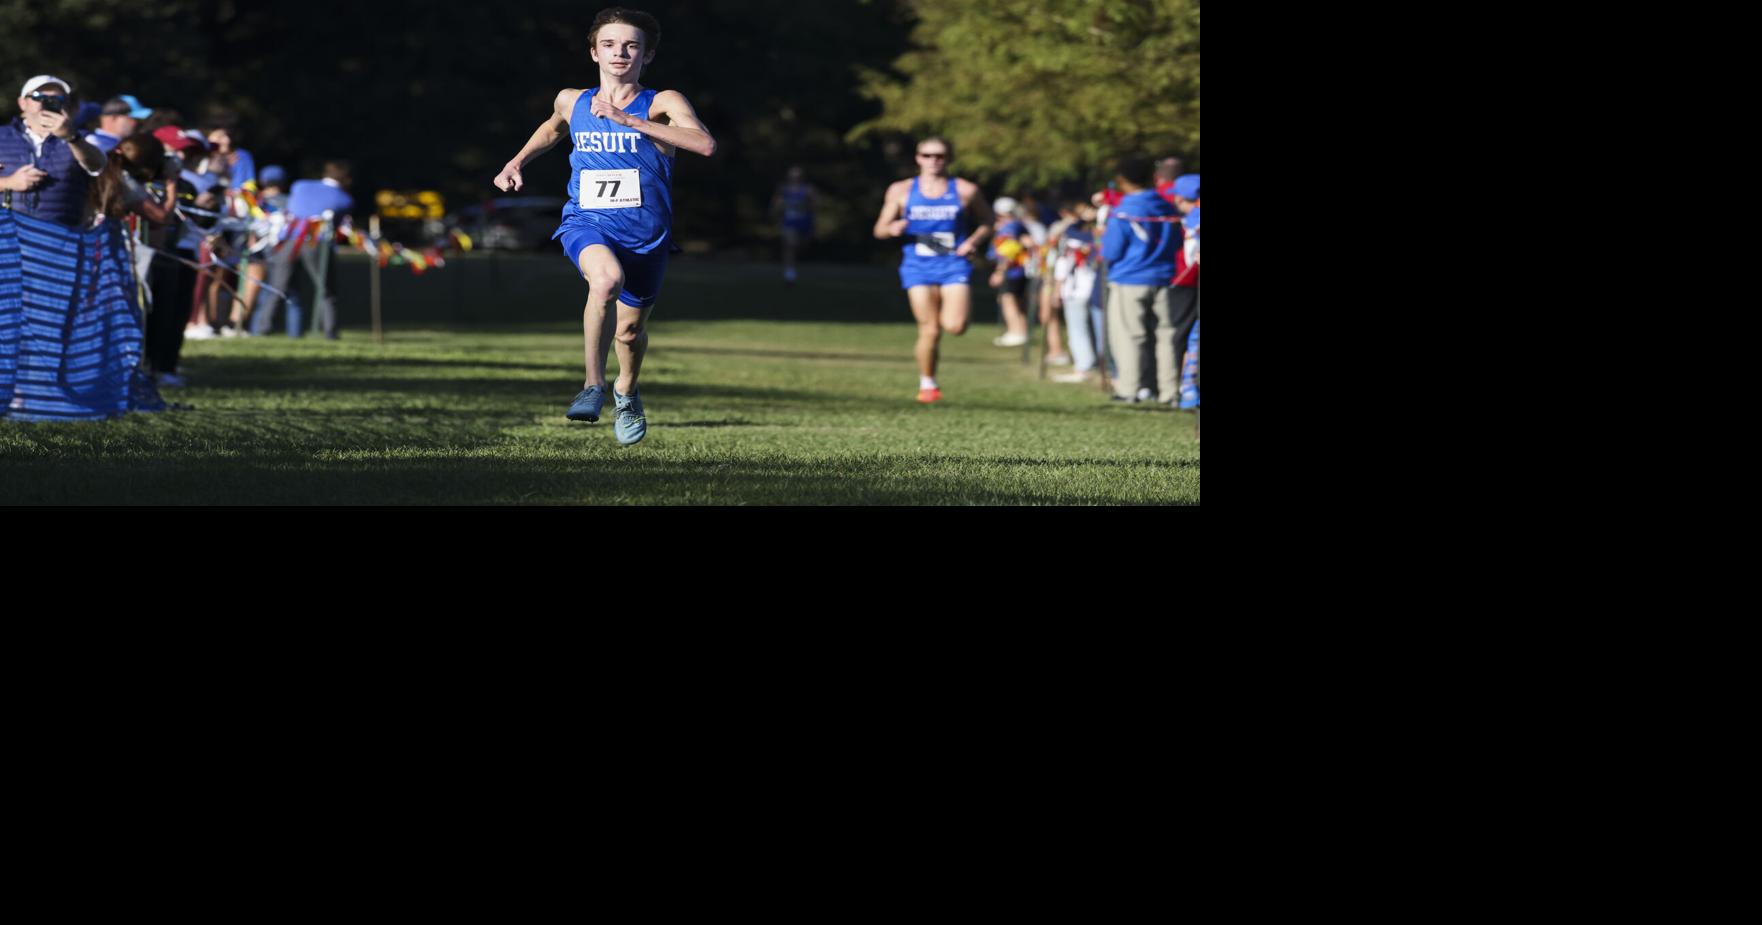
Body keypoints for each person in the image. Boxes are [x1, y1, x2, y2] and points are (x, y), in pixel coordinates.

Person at [493, 6, 717, 446]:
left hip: (647, 233)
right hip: (587, 221)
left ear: (647, 55)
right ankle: (593, 385)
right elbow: (553, 128)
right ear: (594, 52)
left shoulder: (662, 102)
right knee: (605, 281)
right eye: (610, 44)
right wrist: (516, 161)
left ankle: (626, 391)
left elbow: (704, 144)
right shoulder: (571, 99)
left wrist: (631, 122)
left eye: (632, 45)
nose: (621, 53)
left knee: (630, 332)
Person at [872, 136, 992, 403]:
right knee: (929, 329)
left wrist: (973, 241)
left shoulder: (965, 190)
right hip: (918, 265)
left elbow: (988, 220)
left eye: (939, 156)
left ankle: (951, 322)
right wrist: (892, 229)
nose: (933, 161)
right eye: (927, 155)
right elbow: (878, 229)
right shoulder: (901, 190)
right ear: (917, 158)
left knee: (955, 326)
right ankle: (928, 385)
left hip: (953, 263)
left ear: (949, 159)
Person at [1101, 156, 1188, 404]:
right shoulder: (1167, 207)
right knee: (1167, 335)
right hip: (1165, 277)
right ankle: (1170, 391)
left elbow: (1111, 251)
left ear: (1122, 180)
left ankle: (1130, 388)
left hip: (1129, 278)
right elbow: (1178, 242)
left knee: (1129, 335)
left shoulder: (1124, 211)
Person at [253, 160, 354, 338]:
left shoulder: (300, 185)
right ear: (346, 179)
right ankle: (330, 331)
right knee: (326, 289)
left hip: (288, 240)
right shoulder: (344, 198)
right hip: (316, 242)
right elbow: (337, 227)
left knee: (278, 286)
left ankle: (263, 328)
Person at [0, 75, 107, 228]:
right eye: (38, 96)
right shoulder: (2, 136)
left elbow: (98, 165)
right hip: (8, 240)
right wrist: (8, 182)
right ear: (22, 103)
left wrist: (71, 137)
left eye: (58, 98)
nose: (46, 102)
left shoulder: (82, 138)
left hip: (60, 241)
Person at [987, 197, 1032, 348]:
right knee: (1016, 302)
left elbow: (1008, 250)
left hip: (1012, 271)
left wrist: (999, 272)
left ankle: (1016, 333)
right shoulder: (1017, 224)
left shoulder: (1009, 227)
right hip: (1019, 270)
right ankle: (1021, 332)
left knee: (1008, 300)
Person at [771, 164, 816, 283]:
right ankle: (789, 272)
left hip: (803, 222)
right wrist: (778, 209)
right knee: (790, 245)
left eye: (797, 176)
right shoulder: (783, 189)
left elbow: (813, 206)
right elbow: (776, 205)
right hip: (788, 222)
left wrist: (805, 207)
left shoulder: (807, 190)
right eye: (792, 176)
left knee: (800, 246)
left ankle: (795, 267)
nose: (795, 178)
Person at [85, 95, 153, 156]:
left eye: (139, 120)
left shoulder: (125, 143)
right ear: (113, 118)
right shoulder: (93, 143)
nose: (137, 123)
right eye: (133, 118)